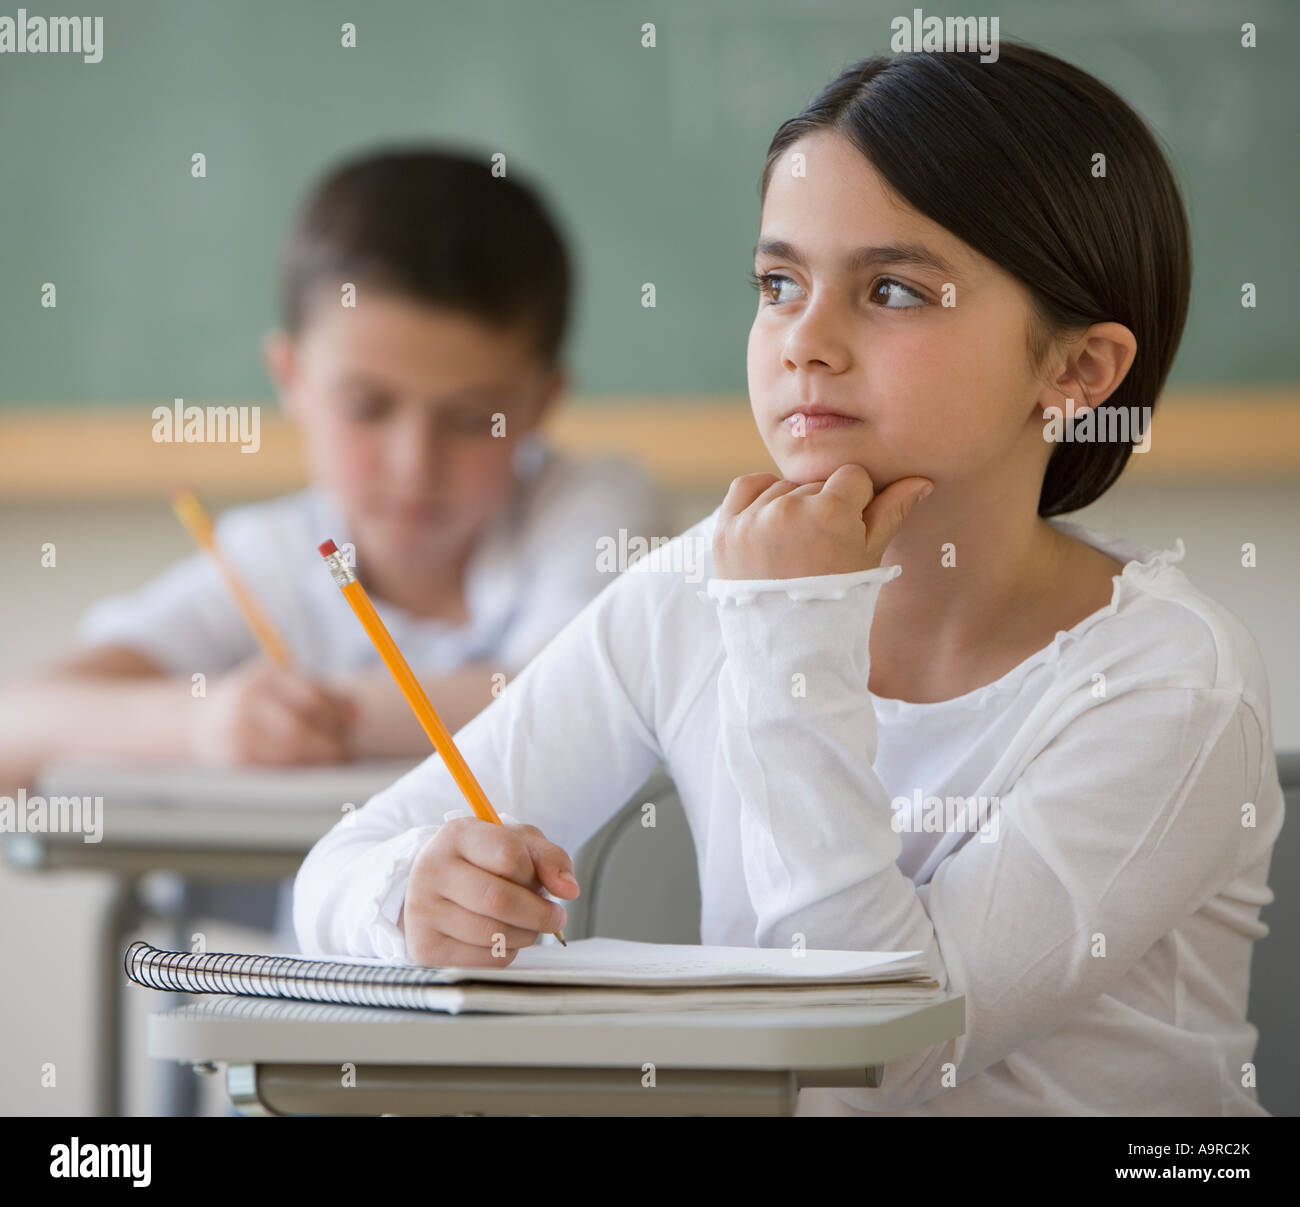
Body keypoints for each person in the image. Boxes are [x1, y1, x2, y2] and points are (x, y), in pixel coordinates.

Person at [294, 48, 1283, 1116]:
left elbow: (868, 1048)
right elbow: (331, 871)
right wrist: (409, 900)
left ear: (1077, 371)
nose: (804, 342)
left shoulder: (1169, 680)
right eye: (778, 285)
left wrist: (790, 622)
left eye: (893, 291)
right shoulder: (689, 595)